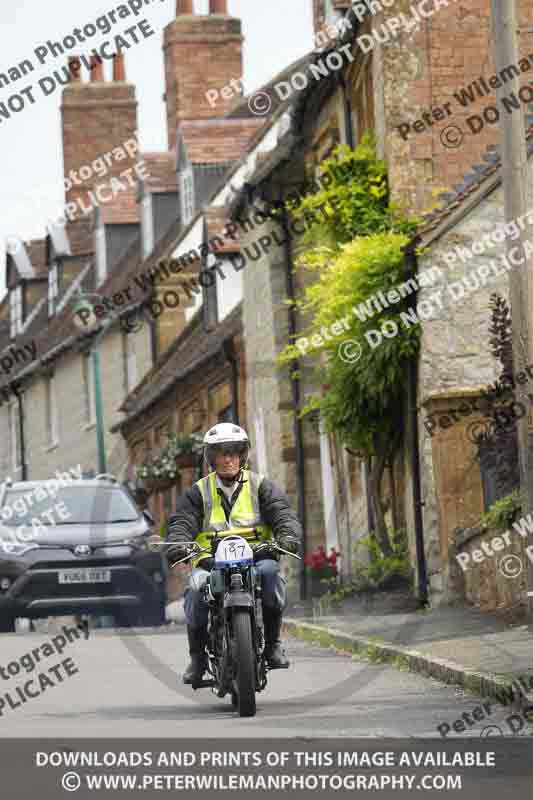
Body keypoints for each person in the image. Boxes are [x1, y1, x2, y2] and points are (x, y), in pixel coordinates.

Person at [167, 423, 302, 685]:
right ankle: (197, 659)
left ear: (242, 455)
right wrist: (178, 544)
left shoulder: (261, 486)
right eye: (221, 453)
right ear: (211, 458)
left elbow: (282, 514)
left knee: (271, 574)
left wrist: (287, 536)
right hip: (210, 560)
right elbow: (182, 522)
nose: (227, 459)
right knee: (196, 588)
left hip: (256, 557)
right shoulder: (198, 492)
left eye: (233, 452)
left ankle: (273, 645)